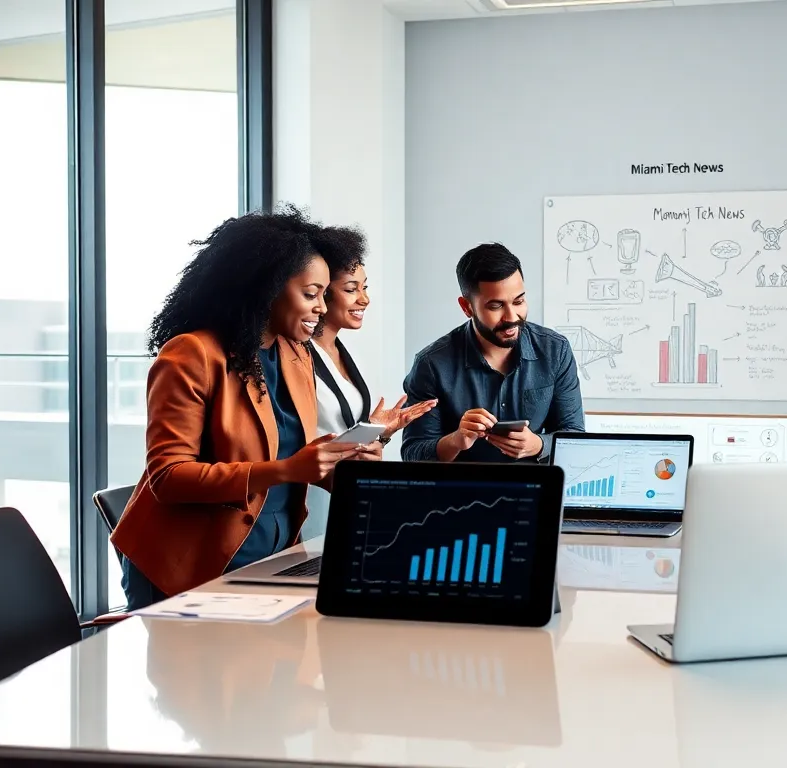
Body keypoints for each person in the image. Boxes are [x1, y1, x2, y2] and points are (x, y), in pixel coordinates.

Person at [110, 207, 379, 610]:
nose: (322, 308)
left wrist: (339, 464)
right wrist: (291, 469)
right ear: (265, 289)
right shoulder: (192, 354)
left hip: (273, 558)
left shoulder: (294, 353)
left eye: (325, 294)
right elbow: (168, 476)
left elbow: (287, 450)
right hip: (190, 567)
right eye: (310, 294)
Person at [401, 242, 584, 462]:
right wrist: (456, 440)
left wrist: (538, 445)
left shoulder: (555, 350)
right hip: (461, 493)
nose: (512, 317)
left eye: (519, 301)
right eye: (496, 306)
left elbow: (575, 439)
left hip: (537, 490)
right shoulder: (431, 364)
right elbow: (413, 454)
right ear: (467, 307)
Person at [301, 259, 436, 538]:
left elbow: (341, 430)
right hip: (310, 498)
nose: (365, 299)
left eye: (365, 287)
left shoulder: (344, 353)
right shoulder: (297, 357)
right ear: (323, 292)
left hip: (346, 496)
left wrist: (379, 433)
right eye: (352, 289)